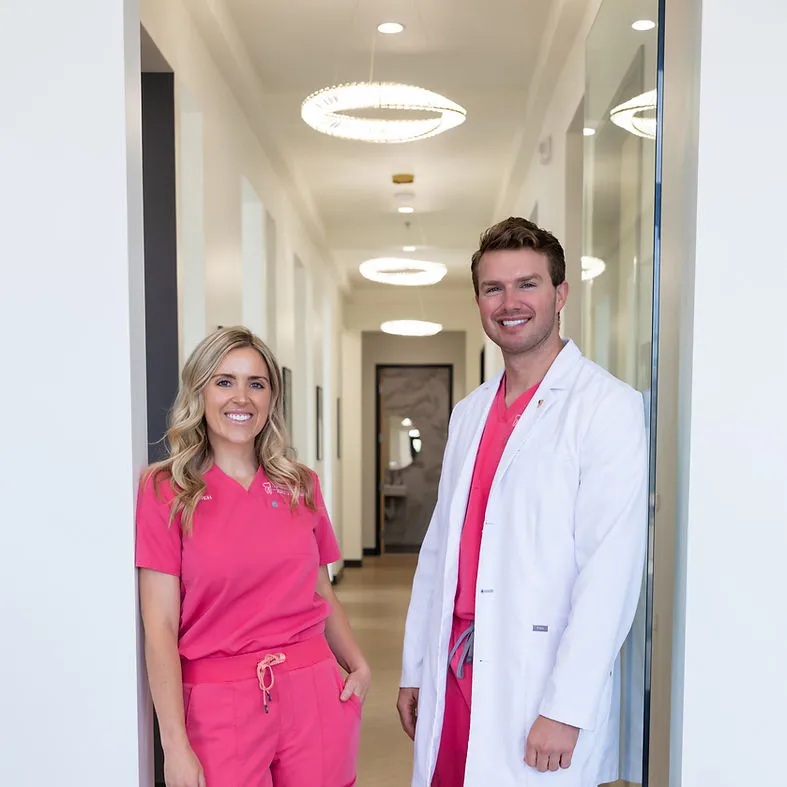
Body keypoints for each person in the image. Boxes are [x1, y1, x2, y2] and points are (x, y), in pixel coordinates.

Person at [396, 218, 648, 786]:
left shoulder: (606, 407)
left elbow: (611, 571)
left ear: (560, 294)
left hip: (535, 679)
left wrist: (566, 706)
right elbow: (439, 553)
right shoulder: (469, 413)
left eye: (527, 284)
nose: (510, 303)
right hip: (455, 671)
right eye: (493, 288)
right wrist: (416, 667)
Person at [137, 326, 369, 787]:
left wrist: (358, 664)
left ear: (270, 398)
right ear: (199, 392)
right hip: (218, 705)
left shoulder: (299, 484)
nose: (241, 397)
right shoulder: (166, 490)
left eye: (255, 383)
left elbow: (320, 589)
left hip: (314, 694)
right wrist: (174, 745)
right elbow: (159, 626)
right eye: (224, 381)